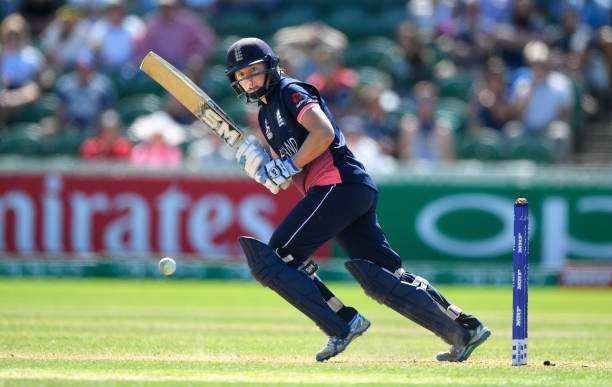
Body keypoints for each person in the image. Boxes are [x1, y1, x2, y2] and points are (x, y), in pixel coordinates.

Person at [225, 37, 490, 363]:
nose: (250, 80)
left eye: (254, 71)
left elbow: (323, 134)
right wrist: (266, 171)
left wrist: (287, 165)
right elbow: (290, 171)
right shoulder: (266, 117)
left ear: (271, 67)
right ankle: (465, 330)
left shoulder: (291, 91)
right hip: (344, 189)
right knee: (380, 275)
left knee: (277, 258)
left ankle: (342, 324)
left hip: (340, 184)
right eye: (242, 76)